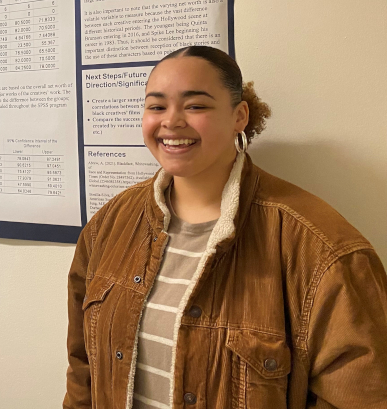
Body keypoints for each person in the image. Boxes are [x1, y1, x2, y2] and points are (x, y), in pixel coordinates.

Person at [64, 45, 387, 409]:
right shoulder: (109, 225)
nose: (171, 121)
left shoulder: (320, 247)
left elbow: (361, 395)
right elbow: (82, 369)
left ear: (239, 115)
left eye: (195, 105)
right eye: (156, 106)